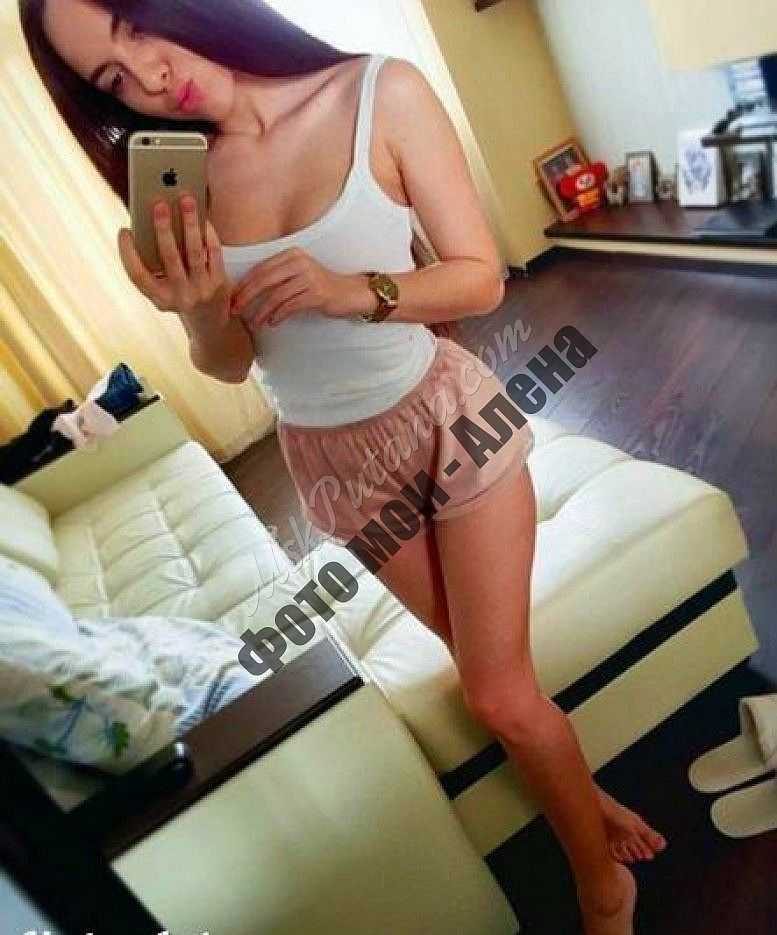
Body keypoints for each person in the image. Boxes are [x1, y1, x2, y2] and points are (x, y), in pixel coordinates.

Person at [23, 2, 667, 931]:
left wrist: (348, 291)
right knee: (491, 681)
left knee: (495, 691)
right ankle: (586, 798)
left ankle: (602, 890)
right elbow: (228, 365)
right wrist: (197, 308)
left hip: (447, 422)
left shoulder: (375, 93)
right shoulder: (179, 187)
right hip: (333, 463)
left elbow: (479, 275)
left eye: (134, 26)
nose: (151, 75)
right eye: (113, 78)